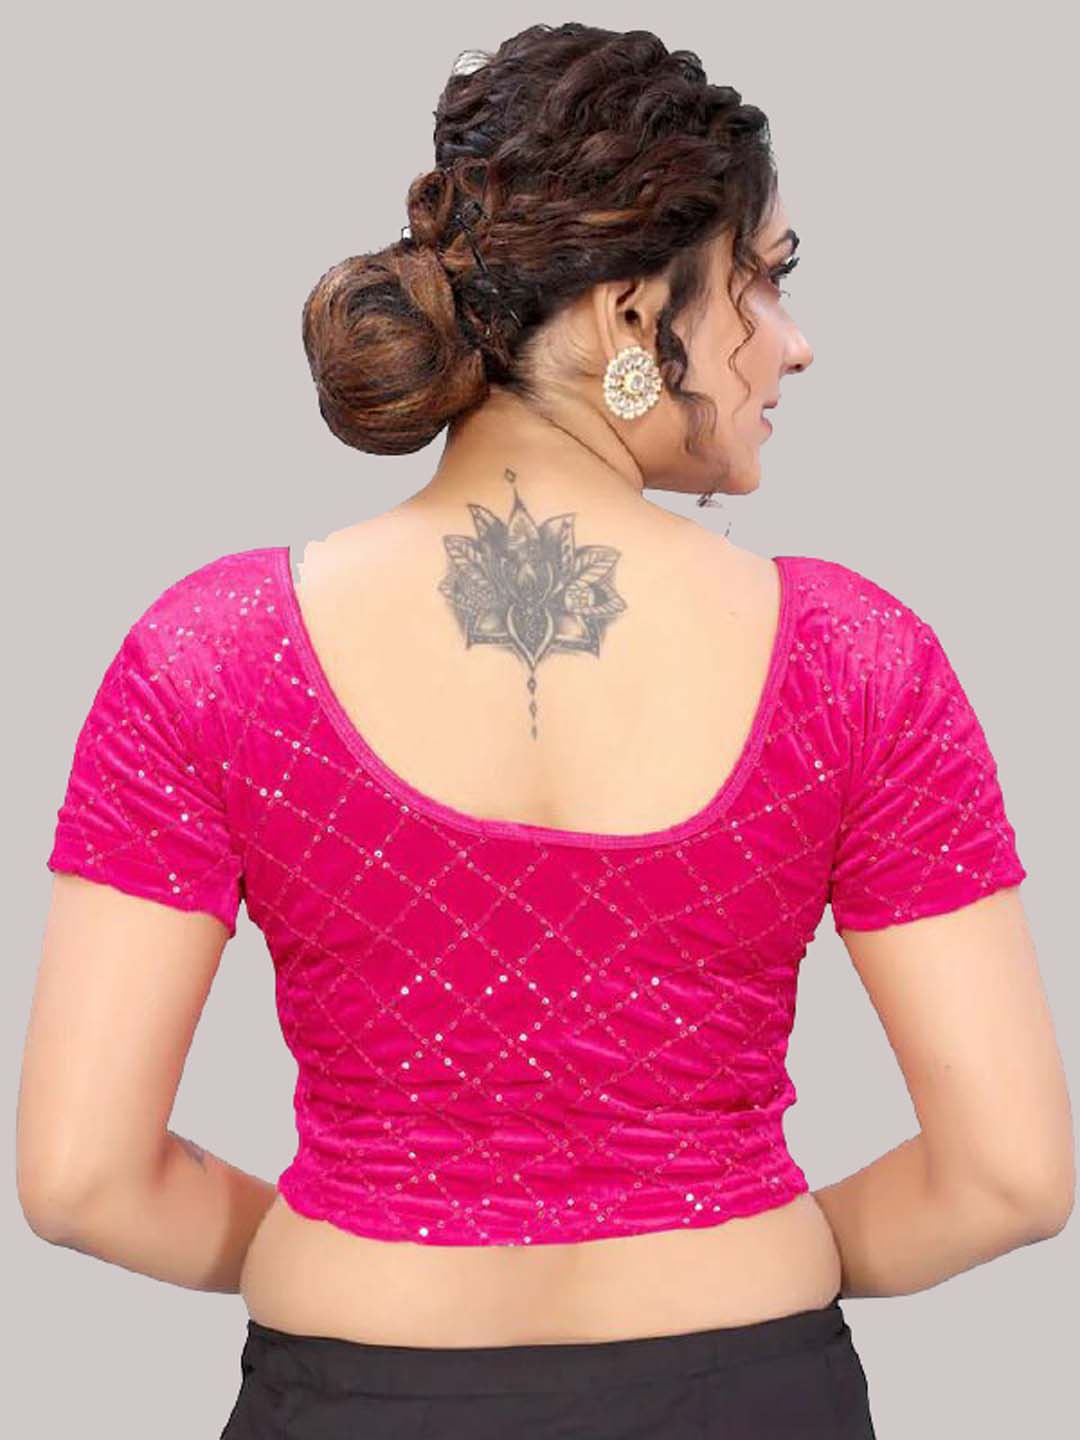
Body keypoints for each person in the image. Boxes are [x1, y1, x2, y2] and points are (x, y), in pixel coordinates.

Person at [19, 21, 1072, 1440]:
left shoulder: (211, 654)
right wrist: (733, 1240)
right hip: (748, 1392)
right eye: (766, 278)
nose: (796, 343)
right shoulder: (856, 659)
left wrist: (362, 1240)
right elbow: (1009, 1178)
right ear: (635, 315)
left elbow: (81, 1181)